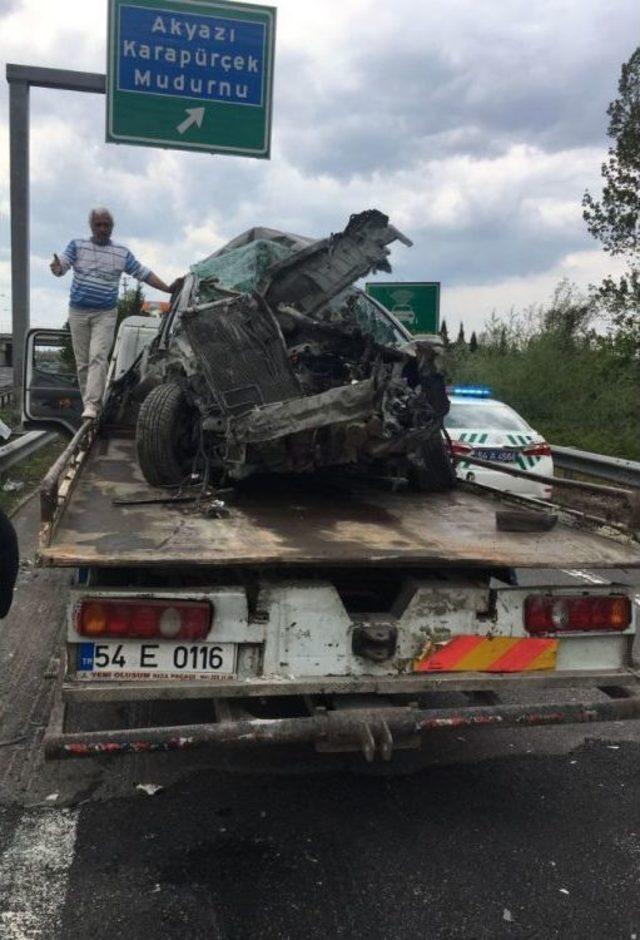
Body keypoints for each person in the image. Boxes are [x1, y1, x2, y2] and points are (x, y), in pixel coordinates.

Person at [50, 208, 181, 420]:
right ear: (91, 226)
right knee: (83, 361)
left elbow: (143, 272)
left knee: (98, 356)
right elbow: (61, 265)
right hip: (78, 312)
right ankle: (89, 403)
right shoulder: (77, 245)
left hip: (105, 312)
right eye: (98, 225)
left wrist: (167, 288)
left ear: (112, 227)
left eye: (107, 225)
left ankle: (92, 405)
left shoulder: (121, 253)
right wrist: (56, 267)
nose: (103, 229)